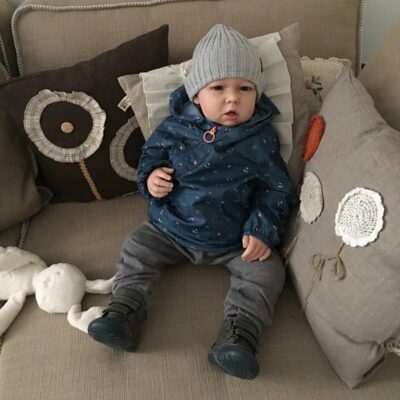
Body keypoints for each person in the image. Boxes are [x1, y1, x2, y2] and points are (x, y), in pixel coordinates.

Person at [88, 24, 296, 380]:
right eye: (218, 88)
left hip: (234, 240)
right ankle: (125, 310)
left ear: (257, 94)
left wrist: (262, 229)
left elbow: (277, 189)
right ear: (196, 94)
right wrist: (151, 180)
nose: (232, 99)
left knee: (268, 272)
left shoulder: (261, 138)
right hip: (171, 228)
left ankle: (239, 334)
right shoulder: (174, 128)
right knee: (137, 245)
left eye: (244, 89)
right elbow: (150, 158)